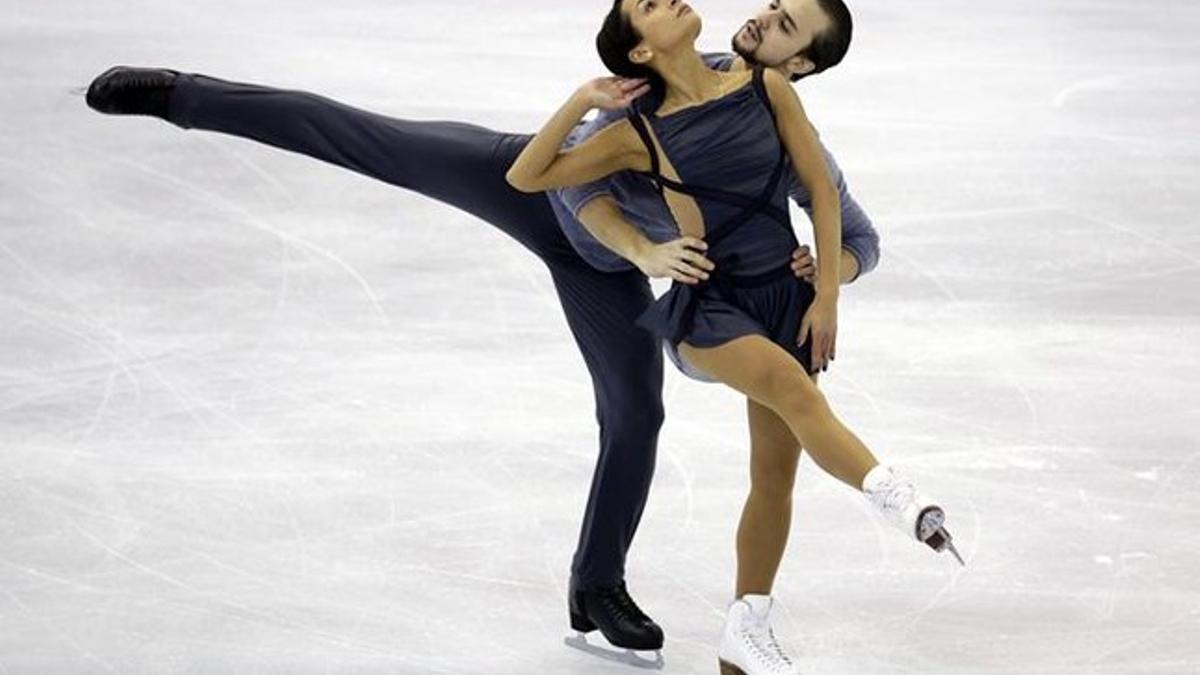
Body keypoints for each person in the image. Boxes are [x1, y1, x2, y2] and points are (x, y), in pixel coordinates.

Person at [83, 0, 884, 659]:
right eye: (772, 6)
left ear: (802, 68)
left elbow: (859, 237)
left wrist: (828, 276)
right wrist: (642, 244)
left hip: (603, 277)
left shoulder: (786, 126)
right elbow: (567, 179)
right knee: (373, 139)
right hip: (535, 194)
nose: (761, 16)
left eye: (784, 25)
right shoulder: (674, 78)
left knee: (637, 416)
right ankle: (181, 95)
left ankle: (595, 584)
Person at [506, 1, 962, 672]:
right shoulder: (636, 129)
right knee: (784, 382)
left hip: (785, 297)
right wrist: (581, 99)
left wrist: (827, 291)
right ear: (641, 53)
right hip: (710, 306)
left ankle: (746, 629)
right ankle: (889, 487)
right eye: (653, 7)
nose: (676, 0)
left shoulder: (766, 86)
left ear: (798, 61)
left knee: (774, 477)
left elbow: (826, 196)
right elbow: (527, 175)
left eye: (784, 22)